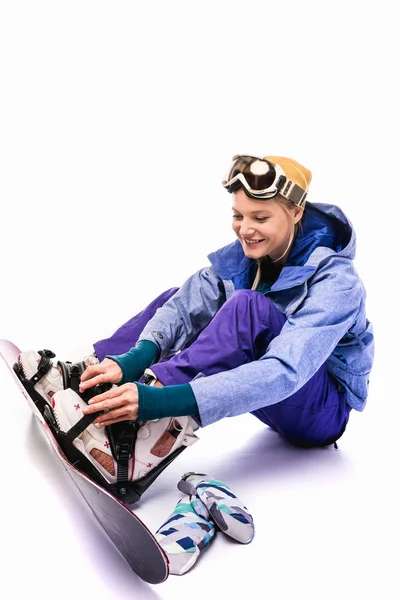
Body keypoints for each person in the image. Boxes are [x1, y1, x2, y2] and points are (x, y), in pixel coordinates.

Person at [19, 154, 374, 488]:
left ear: (296, 213)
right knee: (177, 298)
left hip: (320, 411)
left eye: (260, 218)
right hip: (273, 395)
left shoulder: (337, 283)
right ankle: (90, 378)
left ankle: (142, 446)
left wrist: (160, 399)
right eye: (239, 215)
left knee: (246, 309)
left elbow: (285, 372)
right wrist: (133, 359)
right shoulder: (247, 258)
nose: (245, 229)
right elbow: (184, 309)